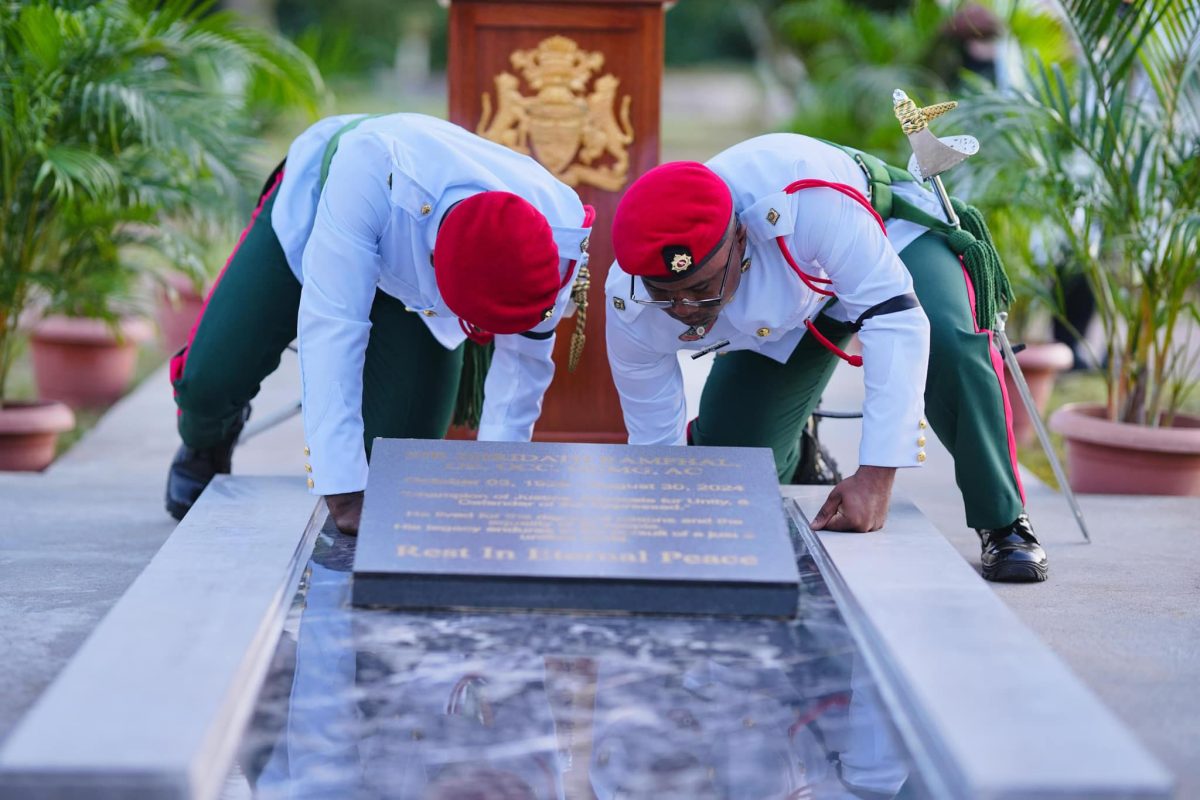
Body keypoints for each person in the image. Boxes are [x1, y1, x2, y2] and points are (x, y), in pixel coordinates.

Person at [606, 135, 1048, 582]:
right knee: (727, 475)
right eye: (664, 295)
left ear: (740, 237)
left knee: (948, 346)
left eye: (701, 289)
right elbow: (655, 441)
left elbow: (894, 318)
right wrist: (663, 518)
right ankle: (803, 453)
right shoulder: (628, 303)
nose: (683, 309)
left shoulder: (809, 196)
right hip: (796, 311)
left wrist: (877, 474)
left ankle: (1004, 519)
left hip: (887, 240)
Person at [166, 113, 594, 534]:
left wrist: (499, 485)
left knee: (398, 467)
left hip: (411, 295)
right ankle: (207, 441)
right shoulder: (369, 170)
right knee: (210, 383)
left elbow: (524, 364)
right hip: (327, 210)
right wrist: (343, 488)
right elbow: (333, 328)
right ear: (432, 265)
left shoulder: (557, 234)